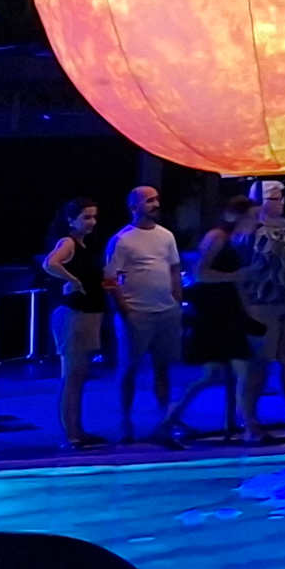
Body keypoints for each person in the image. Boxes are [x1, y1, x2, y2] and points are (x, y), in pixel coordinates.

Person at [158, 197, 266, 445]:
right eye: (252, 216)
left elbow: (236, 283)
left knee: (211, 375)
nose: (256, 221)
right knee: (242, 371)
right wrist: (237, 275)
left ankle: (168, 422)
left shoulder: (235, 241)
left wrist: (247, 311)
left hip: (228, 312)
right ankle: (250, 428)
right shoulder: (217, 237)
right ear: (237, 215)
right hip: (216, 314)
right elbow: (200, 274)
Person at [105, 184, 182, 443]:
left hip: (166, 311)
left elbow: (174, 269)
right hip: (136, 313)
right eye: (149, 201)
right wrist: (124, 309)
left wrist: (177, 300)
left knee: (163, 367)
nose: (155, 205)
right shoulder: (122, 240)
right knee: (129, 368)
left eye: (156, 199)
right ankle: (125, 421)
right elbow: (109, 278)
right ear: (134, 206)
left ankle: (164, 420)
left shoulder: (166, 236)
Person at [238, 180, 285, 420]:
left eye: (282, 198)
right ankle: (249, 416)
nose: (282, 203)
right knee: (260, 361)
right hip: (262, 302)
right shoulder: (250, 228)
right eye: (276, 198)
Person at [41, 198, 108, 450]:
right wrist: (73, 280)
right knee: (71, 375)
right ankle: (71, 434)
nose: (92, 222)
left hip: (88, 314)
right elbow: (50, 263)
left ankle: (77, 429)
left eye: (94, 217)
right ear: (71, 220)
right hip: (73, 314)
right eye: (86, 217)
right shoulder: (68, 243)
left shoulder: (84, 245)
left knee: (79, 375)